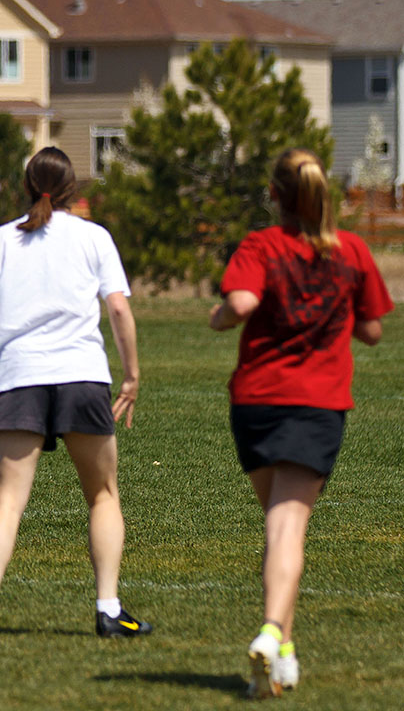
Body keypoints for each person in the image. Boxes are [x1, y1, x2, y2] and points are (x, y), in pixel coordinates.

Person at [209, 148, 393, 697]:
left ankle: (283, 652)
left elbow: (240, 303)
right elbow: (374, 329)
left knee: (277, 524)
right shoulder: (352, 250)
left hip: (257, 402)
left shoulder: (260, 245)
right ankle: (270, 631)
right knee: (288, 527)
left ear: (275, 195)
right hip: (317, 403)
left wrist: (220, 314)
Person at [0, 147, 151, 640]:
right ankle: (108, 610)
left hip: (18, 377)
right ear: (72, 188)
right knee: (102, 496)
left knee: (6, 502)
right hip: (82, 375)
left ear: (26, 187)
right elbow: (120, 311)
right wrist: (131, 376)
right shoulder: (93, 237)